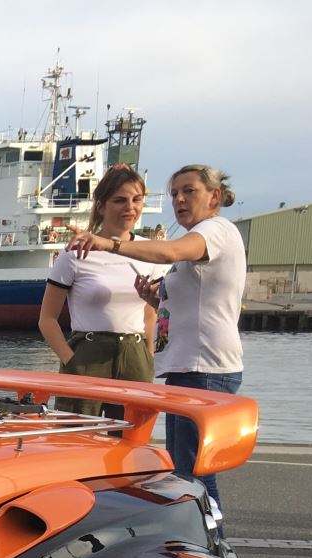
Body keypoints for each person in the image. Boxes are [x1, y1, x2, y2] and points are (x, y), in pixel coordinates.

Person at [69, 163, 245, 515]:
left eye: (189, 191)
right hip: (189, 367)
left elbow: (168, 253)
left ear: (214, 196)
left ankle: (213, 544)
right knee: (185, 467)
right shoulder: (201, 239)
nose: (179, 199)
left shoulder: (215, 230)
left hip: (204, 368)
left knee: (193, 472)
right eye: (175, 193)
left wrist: (108, 243)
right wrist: (154, 298)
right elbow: (188, 301)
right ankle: (207, 543)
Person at [39, 165, 166, 405]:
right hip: (87, 354)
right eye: (120, 200)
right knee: (79, 436)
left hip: (135, 355)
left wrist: (148, 356)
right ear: (101, 206)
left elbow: (149, 314)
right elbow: (46, 319)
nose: (130, 207)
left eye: (136, 199)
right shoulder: (75, 255)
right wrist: (70, 360)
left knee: (131, 438)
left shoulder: (150, 252)